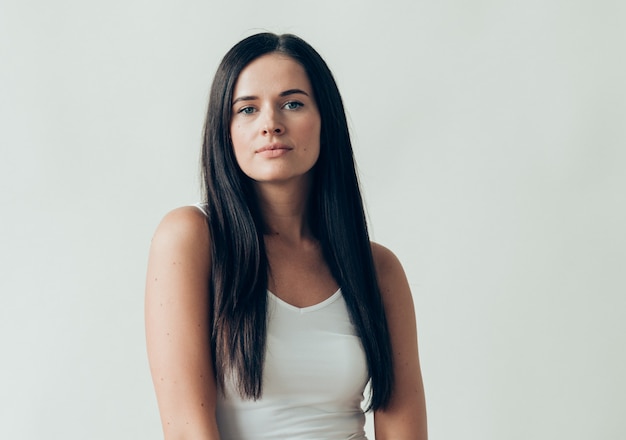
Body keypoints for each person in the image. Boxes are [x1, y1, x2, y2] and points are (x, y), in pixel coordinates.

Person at [145, 32, 427, 439]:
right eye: (247, 109)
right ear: (225, 132)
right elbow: (187, 427)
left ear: (325, 122)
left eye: (292, 104)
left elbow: (404, 425)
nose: (270, 124)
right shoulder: (191, 240)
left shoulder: (377, 269)